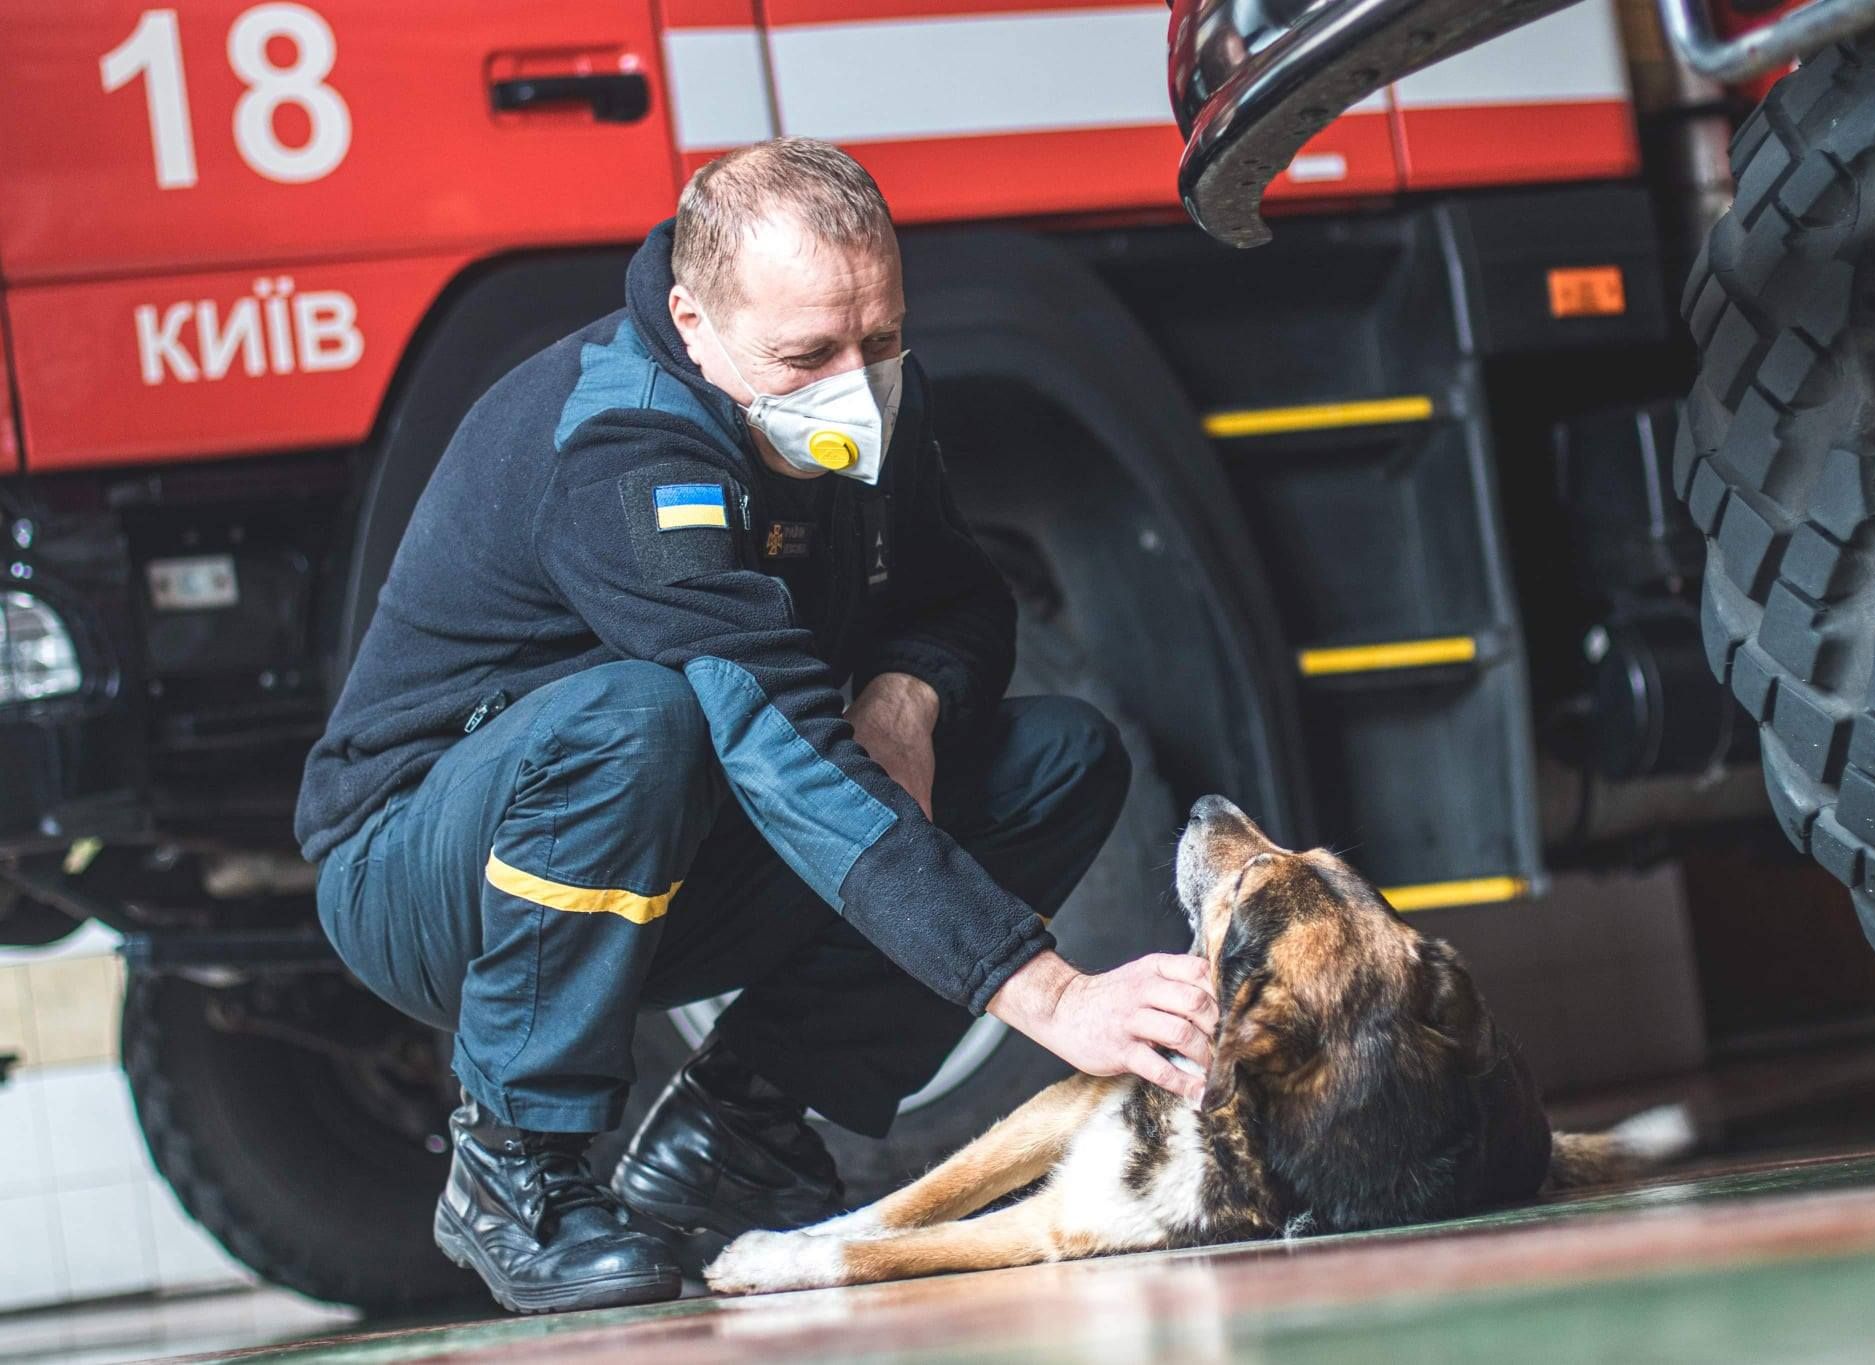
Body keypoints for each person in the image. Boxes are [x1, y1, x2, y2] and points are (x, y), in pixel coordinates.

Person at [295, 138, 1219, 1314]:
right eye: (807, 355)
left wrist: (908, 695)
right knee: (641, 717)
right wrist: (1050, 996)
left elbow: (961, 598)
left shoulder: (859, 392)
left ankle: (734, 1136)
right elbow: (776, 741)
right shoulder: (620, 447)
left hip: (662, 842)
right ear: (691, 320)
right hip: (427, 877)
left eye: (877, 339)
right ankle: (515, 1169)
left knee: (1058, 760)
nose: (855, 380)